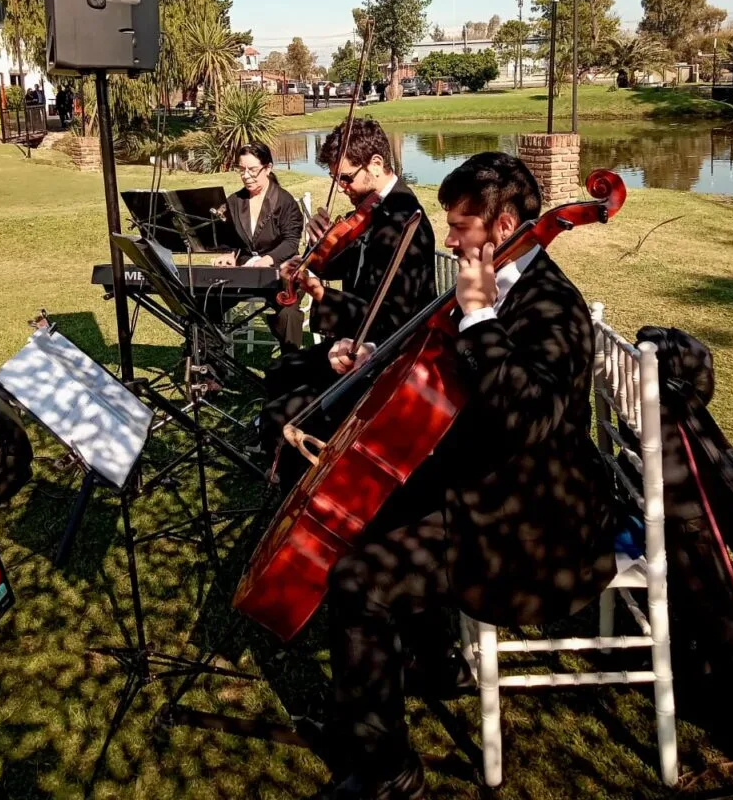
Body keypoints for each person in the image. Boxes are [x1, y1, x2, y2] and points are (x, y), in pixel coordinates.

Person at [309, 152, 617, 800]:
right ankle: (432, 663)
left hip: (533, 522)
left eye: (460, 226)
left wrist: (479, 319)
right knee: (369, 517)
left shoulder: (548, 306)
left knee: (358, 581)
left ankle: (391, 776)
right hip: (491, 487)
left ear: (503, 223)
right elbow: (443, 374)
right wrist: (374, 358)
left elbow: (524, 418)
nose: (448, 239)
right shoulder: (498, 282)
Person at [259, 119, 436, 493]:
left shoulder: (404, 223)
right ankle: (281, 463)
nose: (342, 188)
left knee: (281, 413)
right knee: (279, 370)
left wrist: (321, 294)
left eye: (346, 178)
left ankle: (299, 486)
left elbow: (391, 320)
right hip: (355, 341)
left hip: (381, 356)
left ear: (375, 163)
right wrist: (320, 250)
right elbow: (350, 265)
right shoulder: (375, 210)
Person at [212, 143, 305, 352]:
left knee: (288, 314)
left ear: (268, 168)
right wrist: (229, 254)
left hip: (279, 273)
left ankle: (290, 366)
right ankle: (210, 366)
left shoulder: (284, 201)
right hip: (245, 273)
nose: (246, 176)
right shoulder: (235, 201)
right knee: (208, 302)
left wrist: (268, 259)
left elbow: (291, 242)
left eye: (252, 170)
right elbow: (230, 239)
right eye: (241, 169)